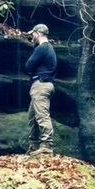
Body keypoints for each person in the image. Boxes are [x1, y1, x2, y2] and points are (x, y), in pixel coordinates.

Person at [24, 24, 57, 153]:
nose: (32, 37)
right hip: (44, 84)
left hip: (41, 85)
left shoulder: (42, 48)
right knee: (32, 116)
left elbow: (28, 66)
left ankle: (47, 146)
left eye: (33, 34)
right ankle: (34, 145)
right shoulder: (49, 49)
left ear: (38, 33)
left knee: (42, 115)